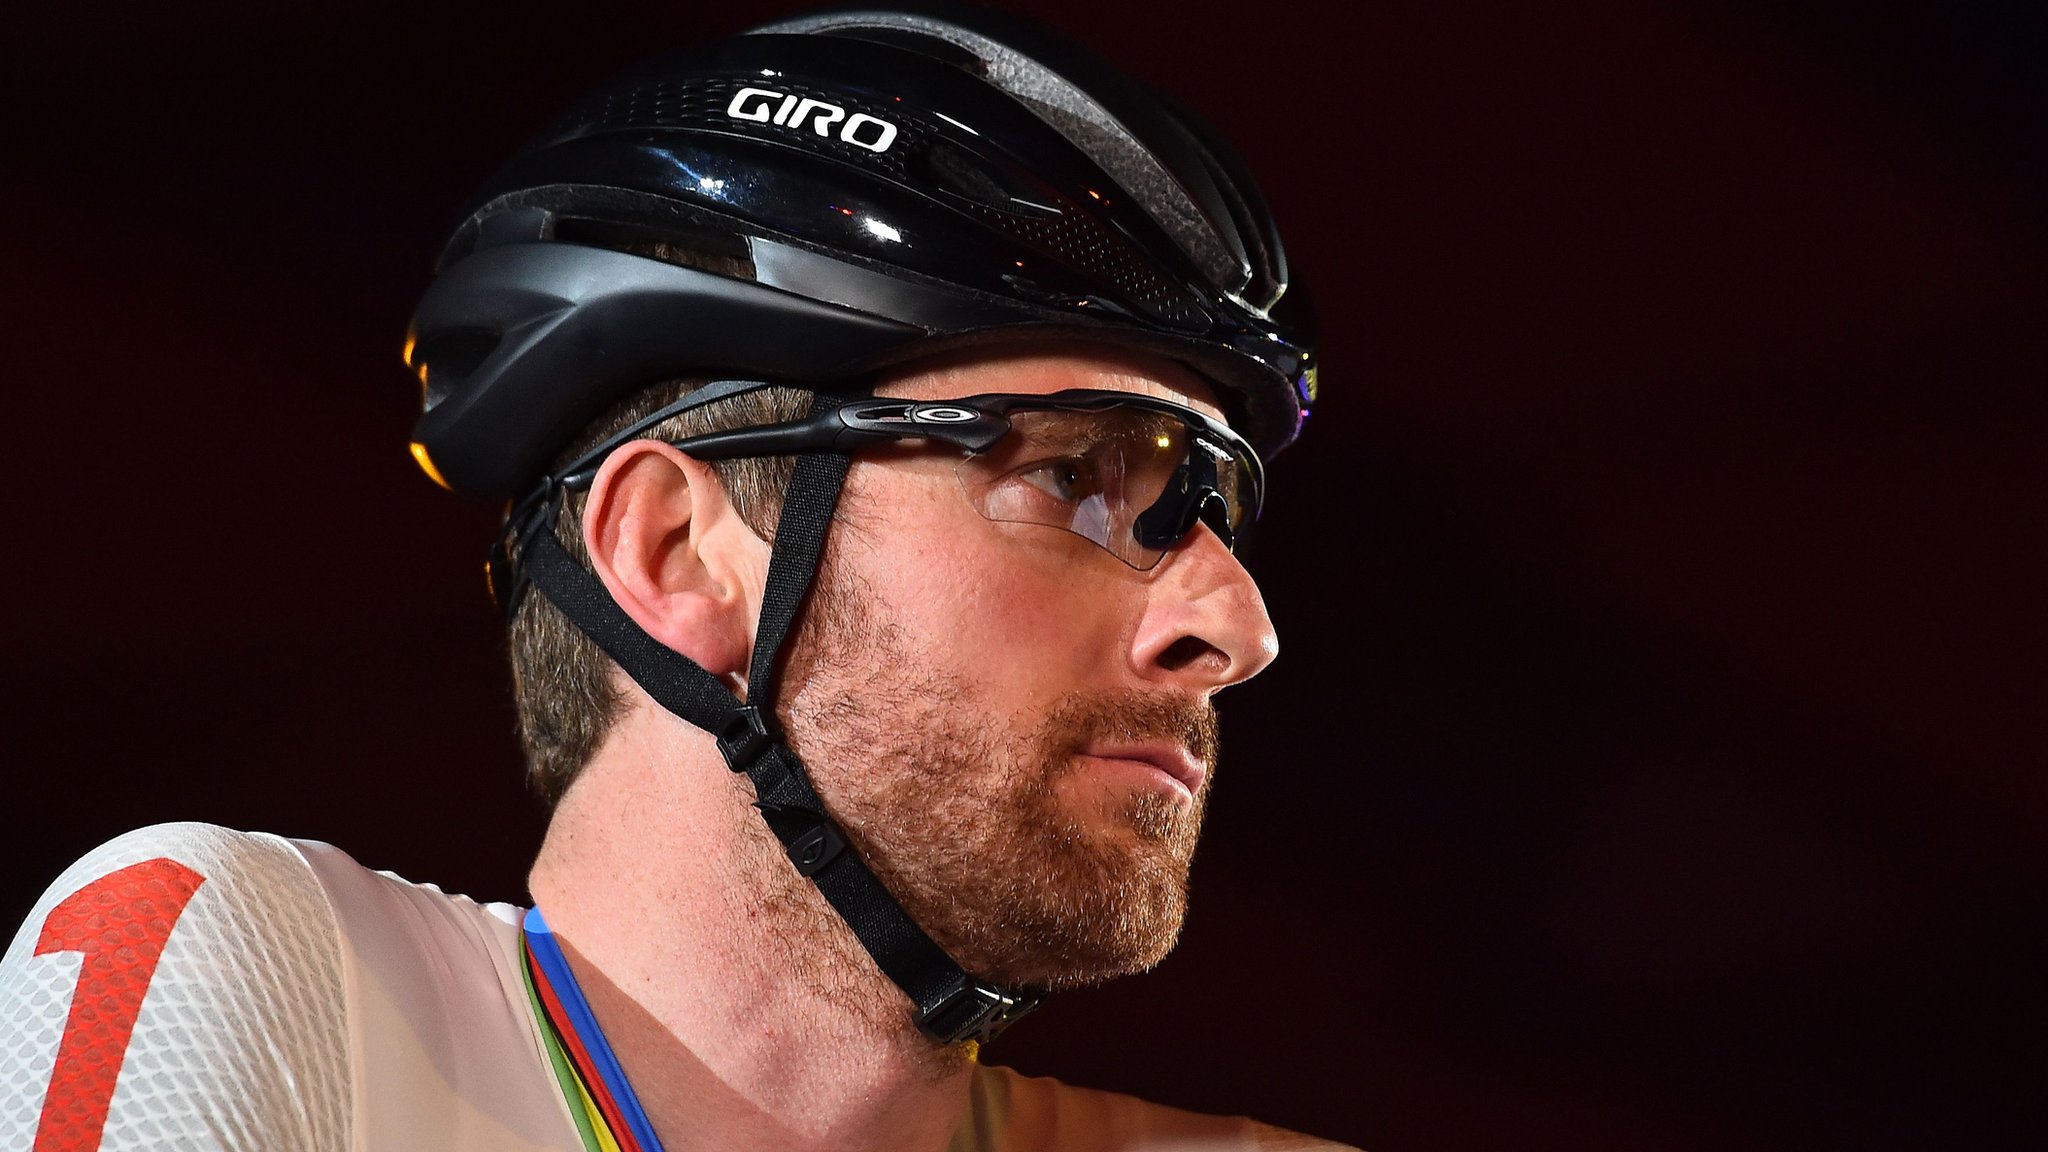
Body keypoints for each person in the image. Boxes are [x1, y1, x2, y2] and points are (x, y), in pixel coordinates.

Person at [1, 7, 1341, 1150]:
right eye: (1075, 478)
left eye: (1214, 511)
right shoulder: (277, 981)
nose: (1238, 625)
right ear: (676, 553)